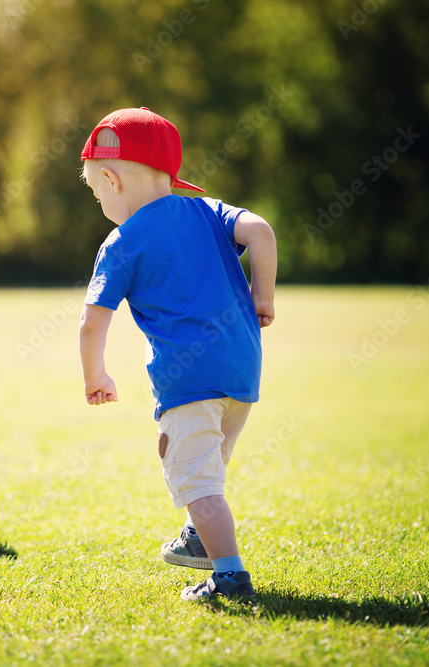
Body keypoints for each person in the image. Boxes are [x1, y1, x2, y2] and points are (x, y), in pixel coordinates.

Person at [77, 107, 277, 601]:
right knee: (206, 464)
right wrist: (263, 296)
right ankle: (196, 536)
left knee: (194, 475)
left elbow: (92, 321)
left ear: (109, 179)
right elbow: (263, 232)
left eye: (95, 190)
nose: (99, 199)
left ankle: (229, 576)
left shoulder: (122, 242)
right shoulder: (208, 211)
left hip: (189, 381)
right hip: (242, 370)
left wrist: (95, 375)